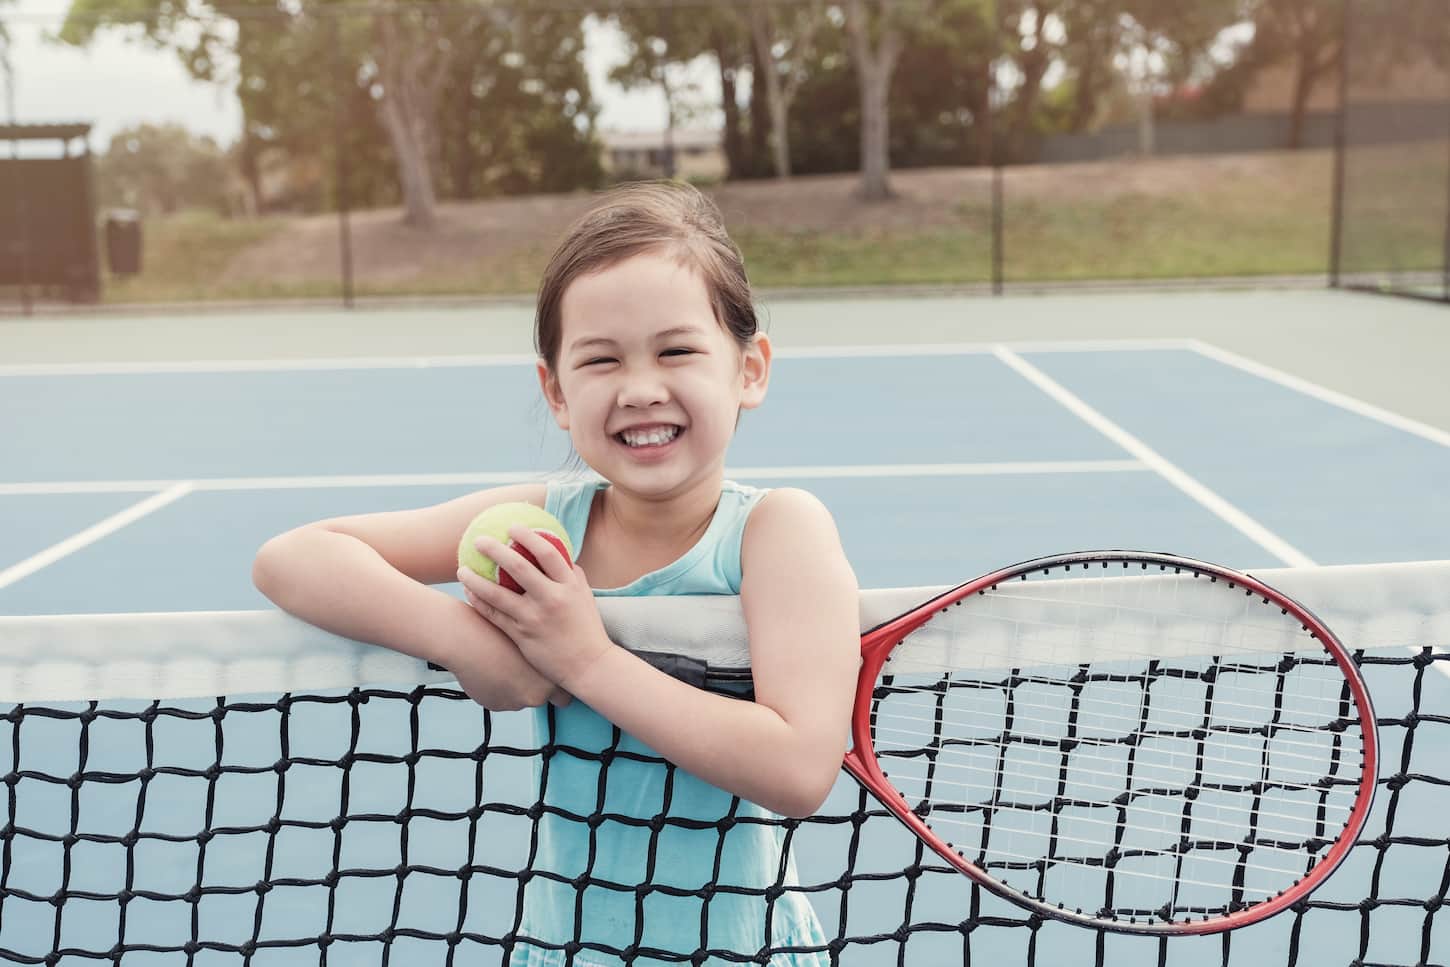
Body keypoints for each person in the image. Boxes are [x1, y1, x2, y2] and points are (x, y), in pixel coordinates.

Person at [252, 181, 859, 966]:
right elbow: (292, 557)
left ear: (749, 369)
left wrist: (584, 658)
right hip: (571, 948)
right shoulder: (547, 523)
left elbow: (800, 768)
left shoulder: (776, 532)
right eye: (601, 360)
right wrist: (467, 642)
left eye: (676, 350)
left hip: (744, 950)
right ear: (556, 392)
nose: (640, 387)